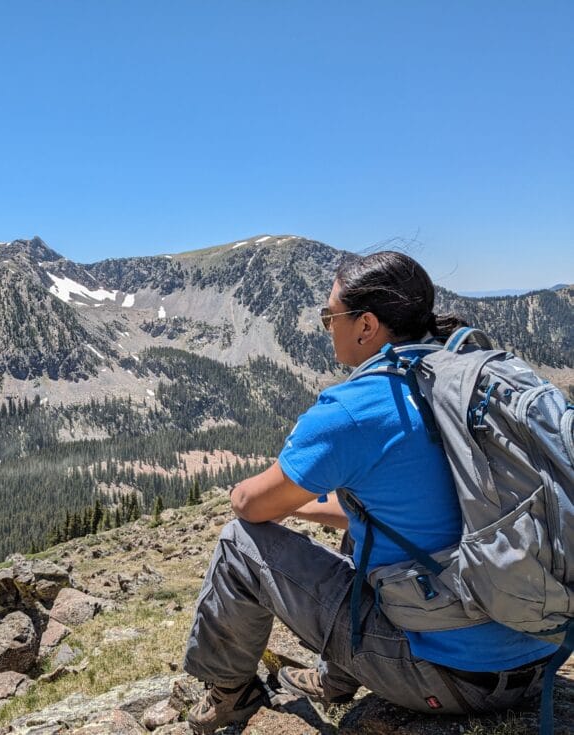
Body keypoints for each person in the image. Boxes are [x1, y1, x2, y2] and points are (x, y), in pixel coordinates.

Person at [183, 251, 559, 734]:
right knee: (363, 529)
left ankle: (231, 695)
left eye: (329, 317)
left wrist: (258, 496)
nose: (327, 328)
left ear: (365, 326)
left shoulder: (356, 407)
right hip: (540, 653)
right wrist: (312, 510)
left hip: (446, 678)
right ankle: (335, 679)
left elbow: (250, 505)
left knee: (240, 543)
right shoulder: (456, 380)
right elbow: (416, 516)